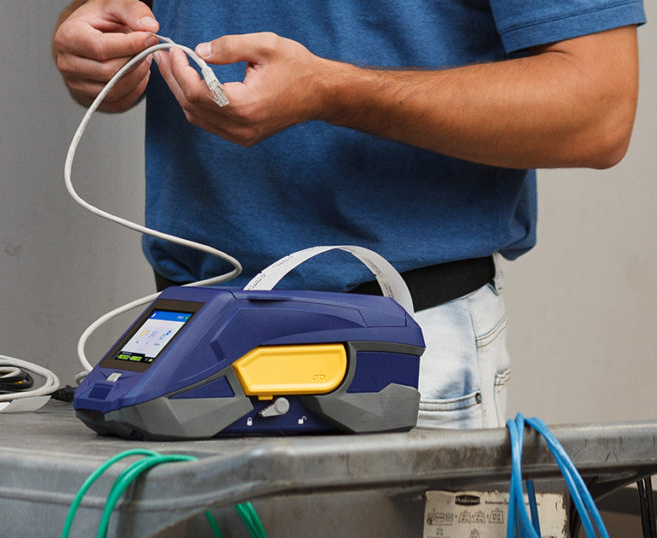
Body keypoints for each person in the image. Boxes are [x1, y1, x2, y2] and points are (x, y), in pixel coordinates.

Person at [52, 0, 645, 428]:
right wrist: (91, 39)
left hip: (395, 345)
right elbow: (105, 16)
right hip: (182, 336)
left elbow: (598, 110)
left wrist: (336, 93)